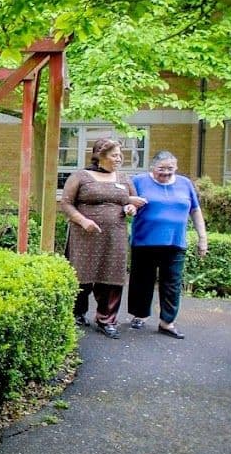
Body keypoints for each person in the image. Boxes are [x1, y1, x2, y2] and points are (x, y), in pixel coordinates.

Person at [60, 138, 146, 338]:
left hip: (114, 236)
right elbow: (66, 203)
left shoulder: (124, 179)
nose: (119, 159)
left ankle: (106, 320)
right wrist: (82, 221)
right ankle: (77, 314)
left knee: (112, 277)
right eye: (114, 155)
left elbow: (132, 203)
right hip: (84, 236)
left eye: (120, 155)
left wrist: (130, 208)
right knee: (81, 275)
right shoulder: (81, 176)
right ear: (100, 156)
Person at [127, 151, 208, 339]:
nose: (166, 173)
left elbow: (195, 211)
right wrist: (130, 206)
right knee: (142, 281)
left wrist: (202, 238)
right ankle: (140, 315)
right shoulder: (139, 181)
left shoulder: (185, 184)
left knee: (172, 283)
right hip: (144, 241)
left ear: (176, 168)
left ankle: (167, 322)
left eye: (170, 169)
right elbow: (126, 201)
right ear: (152, 168)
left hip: (175, 242)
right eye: (161, 169)